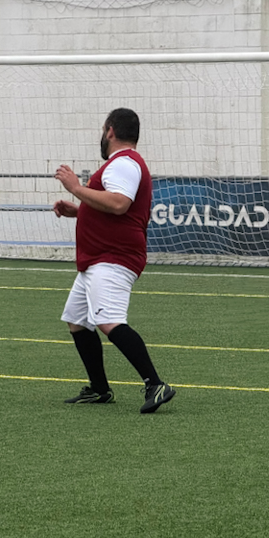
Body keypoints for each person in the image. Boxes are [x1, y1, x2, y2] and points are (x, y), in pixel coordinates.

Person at [54, 107, 175, 413]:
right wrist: (79, 210)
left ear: (109, 131)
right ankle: (99, 388)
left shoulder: (123, 163)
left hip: (112, 256)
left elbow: (120, 204)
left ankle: (155, 384)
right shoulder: (125, 164)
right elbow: (118, 208)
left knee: (108, 321)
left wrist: (77, 188)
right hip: (99, 257)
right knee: (77, 320)